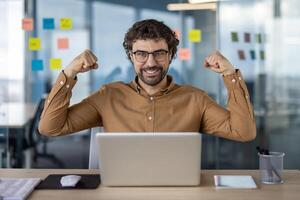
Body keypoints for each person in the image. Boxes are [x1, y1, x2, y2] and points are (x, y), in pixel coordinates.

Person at [39, 19, 256, 142]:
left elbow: (243, 132)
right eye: (141, 54)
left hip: (179, 191)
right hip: (122, 190)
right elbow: (51, 128)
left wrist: (230, 76)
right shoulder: (108, 96)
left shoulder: (195, 99)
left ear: (171, 55)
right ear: (131, 56)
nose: (150, 62)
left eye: (159, 53)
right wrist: (69, 73)